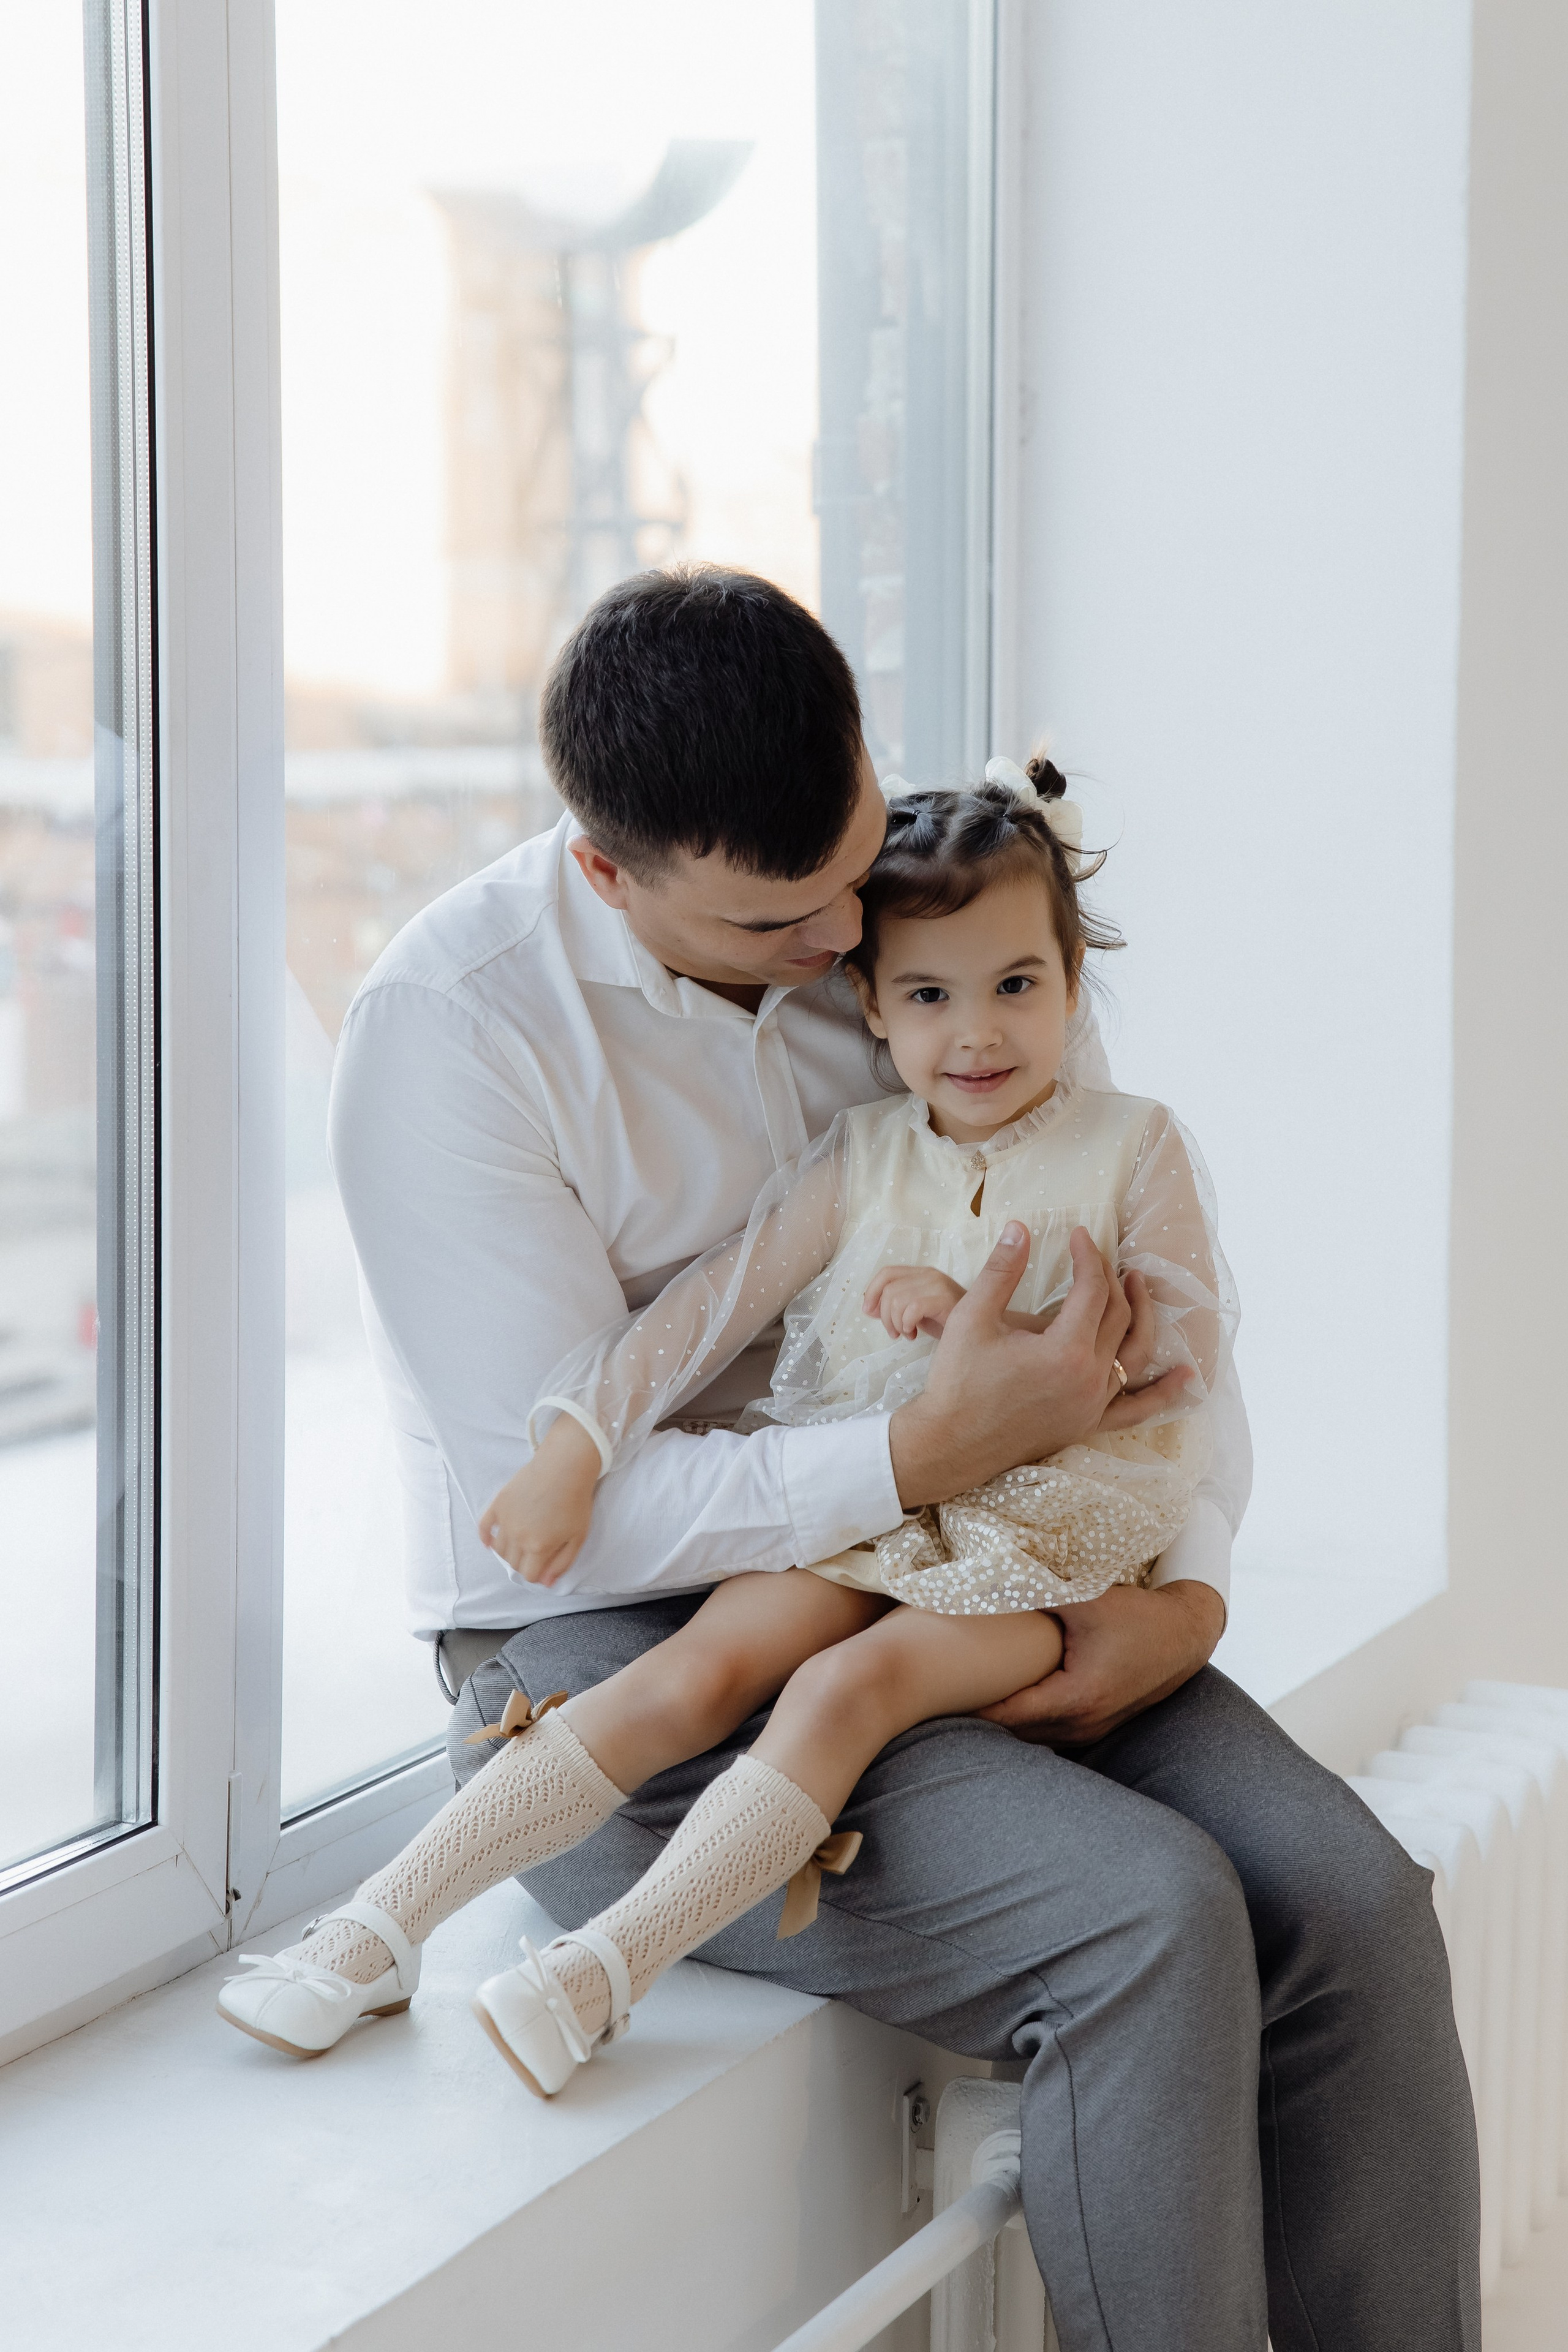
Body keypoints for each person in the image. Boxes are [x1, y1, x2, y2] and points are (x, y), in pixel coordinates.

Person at [230, 570, 1480, 2349]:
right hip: (624, 1640)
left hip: (1011, 1545)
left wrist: (1188, 1585)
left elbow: (1141, 1271)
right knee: (1150, 1922)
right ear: (609, 874)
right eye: (775, 924)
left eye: (853, 871)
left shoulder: (937, 902)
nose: (842, 942)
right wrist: (918, 1447)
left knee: (1353, 1904)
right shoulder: (456, 1037)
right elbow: (557, 1533)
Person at [220, 760, 1238, 2088]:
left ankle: (605, 1968)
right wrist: (578, 1445)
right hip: (871, 1516)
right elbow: (702, 1312)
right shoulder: (860, 1155)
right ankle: (376, 1924)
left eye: (1016, 987)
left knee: (842, 1688)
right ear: (865, 1004)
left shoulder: (1127, 1143)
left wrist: (1023, 1317)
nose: (975, 1034)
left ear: (1069, 984)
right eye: (927, 996)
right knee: (689, 1671)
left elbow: (1184, 1342)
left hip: (1044, 1537)